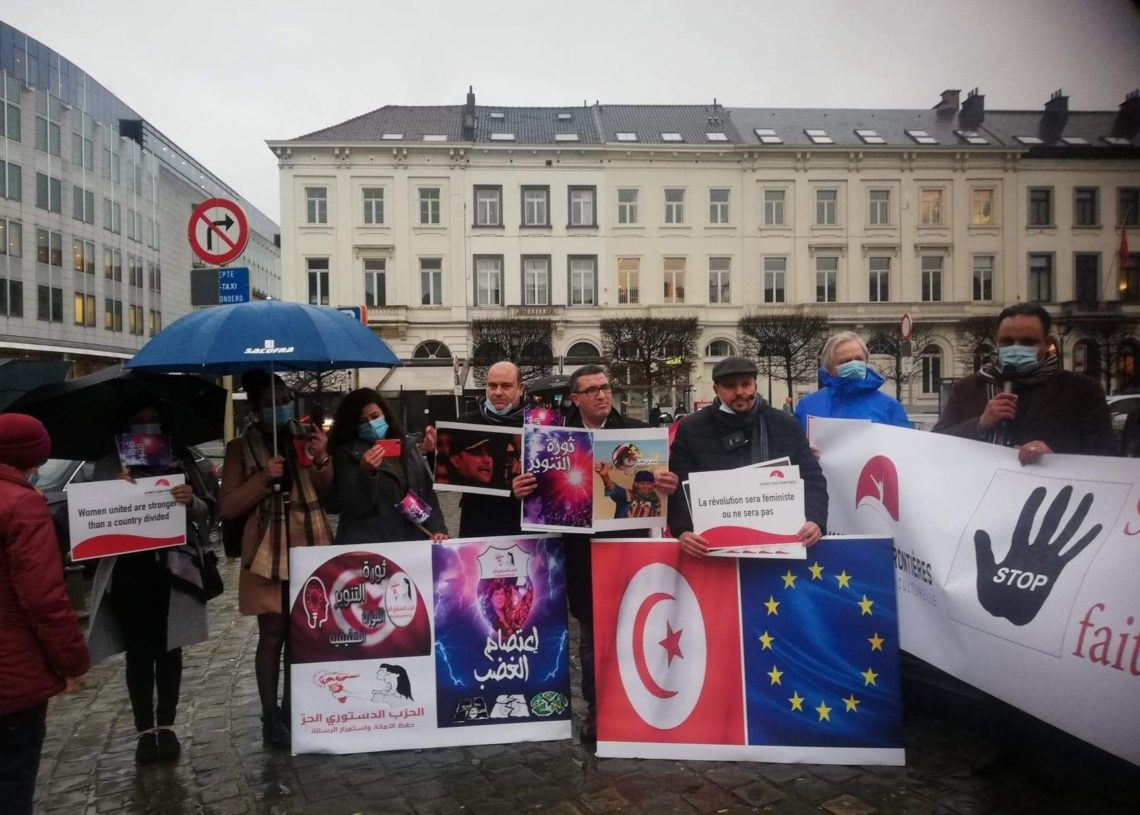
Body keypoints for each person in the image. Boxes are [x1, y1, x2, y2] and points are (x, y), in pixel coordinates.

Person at [515, 364, 679, 741]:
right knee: (590, 635)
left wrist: (669, 482)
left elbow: (666, 486)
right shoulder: (556, 438)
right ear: (575, 398)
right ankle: (599, 711)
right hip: (579, 551)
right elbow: (541, 494)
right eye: (592, 390)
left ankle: (641, 708)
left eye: (605, 387)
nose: (602, 395)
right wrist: (523, 489)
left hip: (630, 546)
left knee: (637, 627)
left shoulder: (639, 433)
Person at [86, 399, 213, 765]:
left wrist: (190, 501)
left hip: (174, 571)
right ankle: (145, 730)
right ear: (124, 427)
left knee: (170, 649)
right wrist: (115, 491)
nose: (146, 427)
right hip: (128, 573)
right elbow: (92, 515)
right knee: (139, 654)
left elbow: (208, 511)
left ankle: (167, 725)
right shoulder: (110, 462)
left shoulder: (181, 459)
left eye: (153, 420)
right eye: (138, 421)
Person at [220, 370, 333, 749]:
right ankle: (270, 719)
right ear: (254, 408)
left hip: (309, 541)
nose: (281, 408)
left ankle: (293, 710)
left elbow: (325, 489)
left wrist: (322, 457)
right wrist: (263, 479)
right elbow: (229, 506)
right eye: (271, 404)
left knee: (302, 634)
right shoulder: (241, 447)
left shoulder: (304, 437)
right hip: (266, 548)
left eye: (285, 400)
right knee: (272, 635)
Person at [0, 414, 89, 815]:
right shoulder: (23, 505)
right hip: (12, 676)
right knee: (12, 778)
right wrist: (71, 661)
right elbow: (44, 599)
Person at [668, 356, 827, 558]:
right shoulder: (692, 428)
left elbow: (812, 478)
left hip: (776, 549)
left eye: (746, 384)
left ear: (755, 385)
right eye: (730, 386)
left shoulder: (785, 424)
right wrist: (682, 531)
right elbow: (679, 486)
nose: (740, 392)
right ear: (716, 390)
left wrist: (815, 520)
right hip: (712, 550)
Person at [934, 303, 1116, 462]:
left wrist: (1056, 459)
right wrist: (980, 423)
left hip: (1047, 495)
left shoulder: (1082, 391)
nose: (1016, 348)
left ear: (1046, 344)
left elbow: (1104, 457)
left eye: (1028, 342)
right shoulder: (968, 388)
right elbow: (938, 442)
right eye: (1007, 341)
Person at [328, 388, 446, 544]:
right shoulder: (347, 454)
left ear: (385, 414)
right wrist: (366, 473)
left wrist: (437, 529)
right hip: (372, 550)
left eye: (375, 416)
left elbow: (425, 491)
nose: (371, 424)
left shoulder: (405, 446)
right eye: (363, 422)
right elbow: (350, 506)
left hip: (411, 543)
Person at [452, 361, 532, 538]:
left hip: (523, 527)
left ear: (521, 388)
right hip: (479, 522)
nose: (497, 392)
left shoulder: (538, 423)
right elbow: (451, 475)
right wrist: (435, 452)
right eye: (492, 385)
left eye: (506, 386)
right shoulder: (466, 422)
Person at [794, 331, 910, 431]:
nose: (854, 364)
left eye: (859, 359)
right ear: (829, 368)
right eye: (846, 361)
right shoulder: (807, 406)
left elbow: (905, 449)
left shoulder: (889, 406)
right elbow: (792, 448)